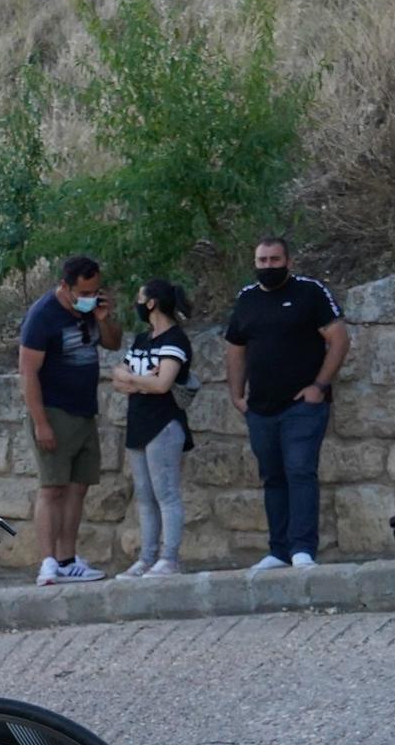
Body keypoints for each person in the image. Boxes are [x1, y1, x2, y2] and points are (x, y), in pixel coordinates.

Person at [224, 237, 348, 571]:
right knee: (273, 477)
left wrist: (319, 386)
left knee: (300, 470)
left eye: (274, 260)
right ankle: (278, 550)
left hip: (302, 406)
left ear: (288, 262)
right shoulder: (247, 299)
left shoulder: (310, 292)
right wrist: (237, 395)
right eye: (262, 260)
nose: (267, 266)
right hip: (260, 408)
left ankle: (303, 548)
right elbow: (235, 347)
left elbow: (338, 338)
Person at [19, 255, 121, 585]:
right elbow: (28, 372)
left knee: (78, 488)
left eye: (96, 289)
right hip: (54, 411)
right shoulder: (43, 315)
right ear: (66, 286)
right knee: (52, 488)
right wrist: (41, 422)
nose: (92, 295)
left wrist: (104, 318)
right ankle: (48, 562)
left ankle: (67, 558)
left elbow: (113, 342)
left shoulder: (92, 311)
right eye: (86, 291)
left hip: (84, 411)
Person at [111, 279, 195, 578]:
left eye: (139, 297)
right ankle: (146, 559)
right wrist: (141, 380)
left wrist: (136, 379)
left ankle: (169, 558)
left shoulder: (176, 340)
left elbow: (163, 384)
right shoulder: (142, 339)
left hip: (164, 424)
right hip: (139, 424)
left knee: (166, 493)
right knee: (145, 496)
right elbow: (118, 378)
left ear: (151, 303)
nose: (136, 302)